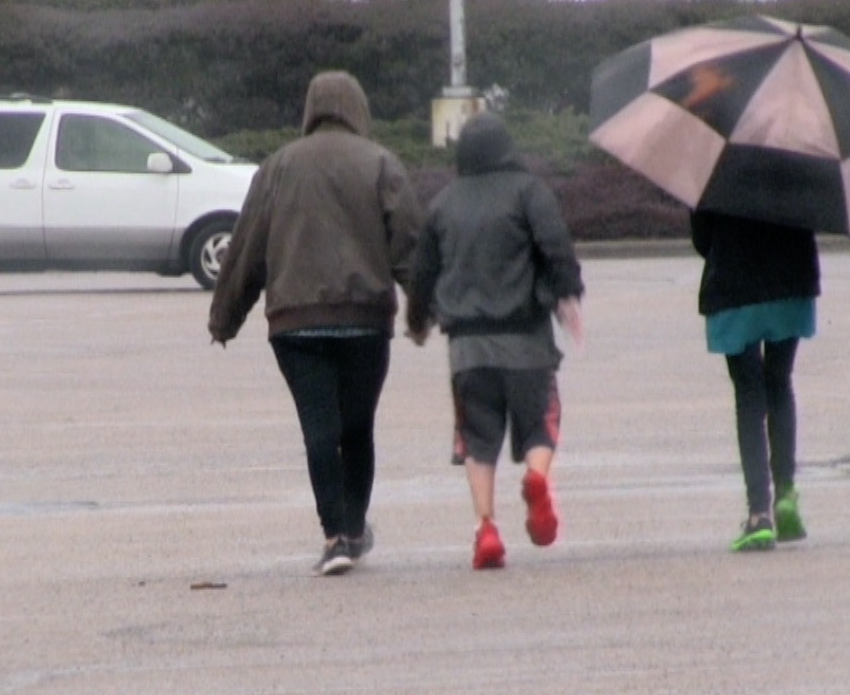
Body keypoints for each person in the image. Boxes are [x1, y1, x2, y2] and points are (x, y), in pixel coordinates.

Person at [208, 71, 423, 577]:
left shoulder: (277, 167)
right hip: (365, 321)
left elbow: (246, 249)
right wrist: (425, 308)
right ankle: (352, 527)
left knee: (318, 430)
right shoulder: (380, 164)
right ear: (359, 108)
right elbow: (410, 243)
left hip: (295, 324)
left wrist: (225, 317)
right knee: (358, 428)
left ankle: (334, 539)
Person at [405, 113, 584, 571]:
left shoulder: (443, 203)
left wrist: (418, 319)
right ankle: (537, 478)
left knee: (477, 438)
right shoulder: (529, 191)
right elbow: (555, 244)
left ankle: (486, 529)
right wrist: (568, 295)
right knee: (542, 424)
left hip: (467, 348)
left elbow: (423, 270)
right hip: (526, 339)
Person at [689, 209, 820, 552]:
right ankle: (786, 493)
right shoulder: (797, 163)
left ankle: (758, 513)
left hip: (734, 285)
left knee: (749, 396)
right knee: (780, 383)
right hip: (789, 282)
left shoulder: (717, 168)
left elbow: (703, 238)